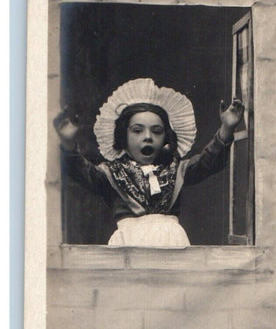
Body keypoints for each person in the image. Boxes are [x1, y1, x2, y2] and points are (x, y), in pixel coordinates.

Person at [54, 78, 244, 247]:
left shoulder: (176, 170)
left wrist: (227, 128)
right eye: (137, 131)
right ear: (123, 136)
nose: (147, 137)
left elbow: (208, 162)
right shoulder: (111, 173)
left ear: (166, 139)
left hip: (172, 247)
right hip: (128, 249)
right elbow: (83, 172)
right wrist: (69, 144)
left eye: (156, 131)